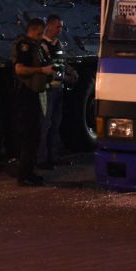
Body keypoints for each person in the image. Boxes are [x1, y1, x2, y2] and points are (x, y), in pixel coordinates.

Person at [13, 17, 53, 187]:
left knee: (35, 135)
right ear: (35, 29)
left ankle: (29, 171)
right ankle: (24, 175)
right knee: (29, 136)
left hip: (35, 94)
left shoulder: (36, 46)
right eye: (41, 32)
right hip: (26, 94)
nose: (42, 35)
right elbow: (19, 69)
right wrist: (41, 70)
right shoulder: (25, 45)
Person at [37, 15, 78, 170]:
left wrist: (72, 72)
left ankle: (53, 157)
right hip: (47, 90)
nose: (60, 30)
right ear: (49, 26)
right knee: (45, 125)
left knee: (55, 124)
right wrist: (66, 78)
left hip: (58, 89)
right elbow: (48, 68)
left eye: (61, 27)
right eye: (57, 27)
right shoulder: (42, 46)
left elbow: (62, 63)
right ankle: (41, 159)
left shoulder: (57, 44)